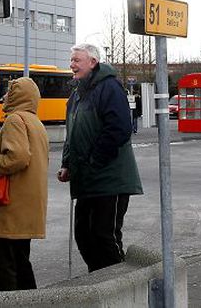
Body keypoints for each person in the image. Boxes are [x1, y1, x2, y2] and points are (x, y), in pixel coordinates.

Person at [57, 43, 143, 273]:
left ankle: (120, 286)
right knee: (84, 236)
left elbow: (119, 129)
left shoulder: (109, 87)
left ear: (93, 62)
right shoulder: (77, 93)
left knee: (104, 236)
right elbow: (72, 132)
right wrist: (67, 163)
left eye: (77, 60)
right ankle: (99, 282)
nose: (72, 64)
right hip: (86, 178)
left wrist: (94, 161)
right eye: (72, 60)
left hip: (109, 178)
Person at [0, 77, 49, 292]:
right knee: (21, 263)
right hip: (28, 208)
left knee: (3, 269)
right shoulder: (36, 123)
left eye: (10, 92)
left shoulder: (15, 120)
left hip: (11, 206)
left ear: (18, 96)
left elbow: (17, 157)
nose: (5, 96)